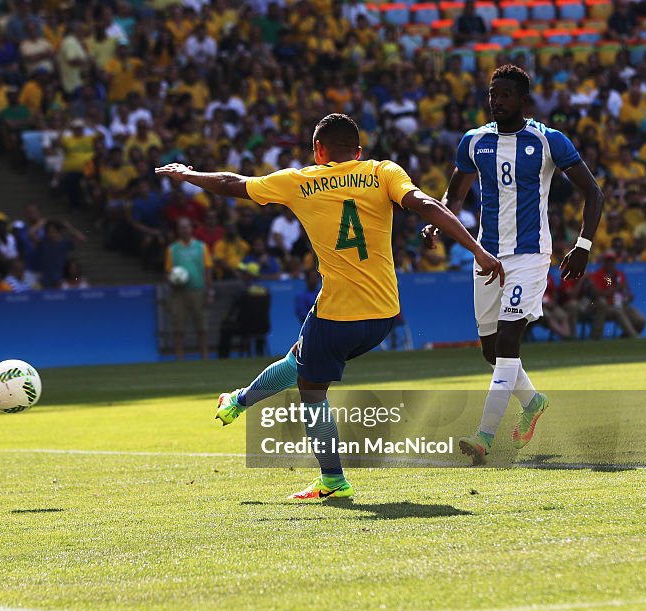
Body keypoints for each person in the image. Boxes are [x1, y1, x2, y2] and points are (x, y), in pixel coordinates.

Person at [158, 113, 502, 499]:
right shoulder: (384, 171)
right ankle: (238, 401)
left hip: (338, 313)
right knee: (298, 361)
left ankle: (333, 480)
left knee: (311, 388)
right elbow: (424, 204)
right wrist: (477, 249)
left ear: (318, 151)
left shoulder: (300, 181)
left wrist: (188, 174)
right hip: (384, 315)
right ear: (357, 150)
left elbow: (231, 183)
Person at [425, 65, 603, 464]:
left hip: (530, 255)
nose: (496, 101)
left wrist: (583, 245)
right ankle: (533, 401)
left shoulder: (548, 140)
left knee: (508, 342)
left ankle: (484, 437)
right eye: (492, 94)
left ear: (524, 100)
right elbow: (452, 200)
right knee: (491, 352)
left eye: (505, 95)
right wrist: (436, 225)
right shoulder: (473, 142)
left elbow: (593, 192)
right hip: (487, 256)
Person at [165, 217, 213, 361]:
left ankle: (204, 356)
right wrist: (172, 281)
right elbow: (168, 271)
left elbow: (208, 269)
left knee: (201, 325)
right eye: (181, 227)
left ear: (191, 229)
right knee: (178, 326)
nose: (184, 230)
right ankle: (180, 357)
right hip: (179, 293)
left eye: (187, 227)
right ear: (178, 230)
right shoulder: (172, 249)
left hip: (198, 290)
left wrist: (209, 291)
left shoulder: (201, 247)